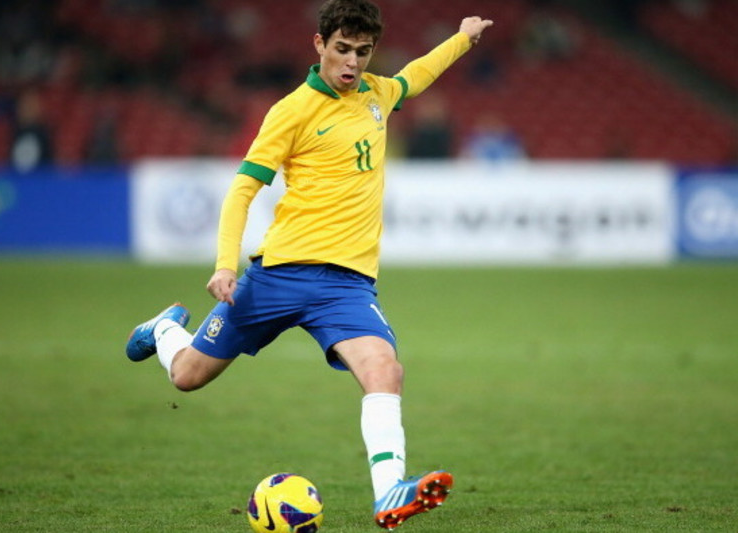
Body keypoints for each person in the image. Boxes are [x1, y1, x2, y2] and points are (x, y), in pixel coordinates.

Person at [125, 1, 492, 529]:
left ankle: (390, 492)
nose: (352, 63)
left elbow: (416, 75)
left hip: (345, 286)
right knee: (187, 377)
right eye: (342, 49)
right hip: (277, 276)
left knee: (385, 370)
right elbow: (242, 190)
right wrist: (225, 265)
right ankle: (164, 329)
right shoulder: (291, 111)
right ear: (319, 44)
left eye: (362, 53)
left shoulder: (377, 95)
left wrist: (463, 37)